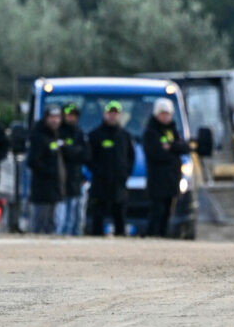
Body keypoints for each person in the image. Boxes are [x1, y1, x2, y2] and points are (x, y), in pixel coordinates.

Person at [86, 100, 135, 236]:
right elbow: (89, 157)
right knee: (98, 217)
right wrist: (98, 171)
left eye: (115, 113)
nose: (112, 116)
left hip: (118, 184)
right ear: (104, 114)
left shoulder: (125, 136)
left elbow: (131, 157)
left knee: (119, 216)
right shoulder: (95, 135)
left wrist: (125, 173)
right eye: (110, 113)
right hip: (100, 184)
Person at [142, 98, 189, 237]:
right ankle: (153, 236)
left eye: (167, 113)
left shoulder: (173, 130)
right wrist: (173, 152)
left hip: (172, 179)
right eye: (162, 113)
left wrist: (171, 147)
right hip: (157, 180)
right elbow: (155, 153)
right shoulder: (150, 131)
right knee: (157, 210)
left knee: (168, 211)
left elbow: (184, 147)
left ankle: (164, 235)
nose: (165, 116)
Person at [27, 105, 65, 234]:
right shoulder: (38, 135)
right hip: (42, 190)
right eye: (52, 117)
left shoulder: (57, 135)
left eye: (57, 117)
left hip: (55, 189)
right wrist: (50, 172)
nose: (55, 120)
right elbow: (32, 161)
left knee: (53, 224)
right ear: (46, 118)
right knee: (39, 224)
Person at [57, 103, 89, 236]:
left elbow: (86, 154)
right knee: (63, 219)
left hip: (76, 180)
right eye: (69, 115)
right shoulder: (58, 131)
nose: (71, 118)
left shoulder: (79, 132)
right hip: (61, 181)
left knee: (76, 218)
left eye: (74, 115)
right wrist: (75, 151)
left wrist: (70, 150)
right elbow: (63, 152)